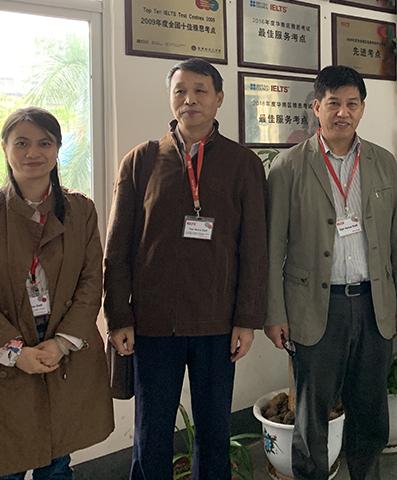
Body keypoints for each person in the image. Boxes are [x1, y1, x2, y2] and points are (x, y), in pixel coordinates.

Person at [104, 58, 269, 480]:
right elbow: (117, 248)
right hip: (154, 324)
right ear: (170, 97)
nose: (189, 99)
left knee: (214, 433)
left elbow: (254, 248)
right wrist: (119, 315)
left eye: (200, 90)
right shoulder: (141, 161)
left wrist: (246, 319)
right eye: (180, 90)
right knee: (151, 432)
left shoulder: (243, 163)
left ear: (219, 98)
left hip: (218, 324)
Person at [264, 65, 397, 480]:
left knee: (370, 413)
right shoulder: (289, 166)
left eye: (352, 104)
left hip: (372, 305)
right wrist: (275, 313)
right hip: (315, 308)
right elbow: (273, 246)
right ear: (316, 107)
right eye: (333, 103)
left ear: (363, 108)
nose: (343, 112)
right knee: (312, 417)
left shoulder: (384, 162)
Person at [0, 107, 114, 479]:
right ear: (5, 148)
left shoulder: (80, 210)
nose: (33, 152)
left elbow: (91, 282)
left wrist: (62, 343)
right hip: (3, 353)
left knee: (57, 462)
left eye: (44, 143)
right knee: (3, 464)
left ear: (57, 149)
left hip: (62, 349)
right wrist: (14, 351)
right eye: (21, 143)